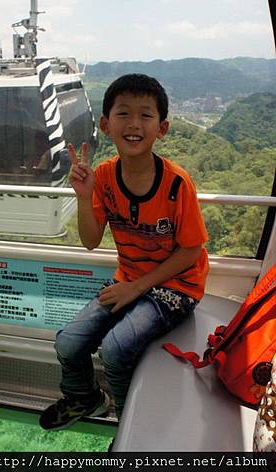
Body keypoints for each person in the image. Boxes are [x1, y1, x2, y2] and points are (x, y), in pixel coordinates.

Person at [39, 73, 209, 430]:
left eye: (145, 115)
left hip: (177, 287)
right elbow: (89, 239)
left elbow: (191, 250)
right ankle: (85, 399)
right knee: (69, 342)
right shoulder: (102, 176)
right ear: (105, 124)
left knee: (115, 350)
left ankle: (131, 420)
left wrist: (137, 287)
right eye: (123, 114)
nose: (134, 124)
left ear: (162, 128)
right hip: (129, 280)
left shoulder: (177, 184)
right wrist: (84, 199)